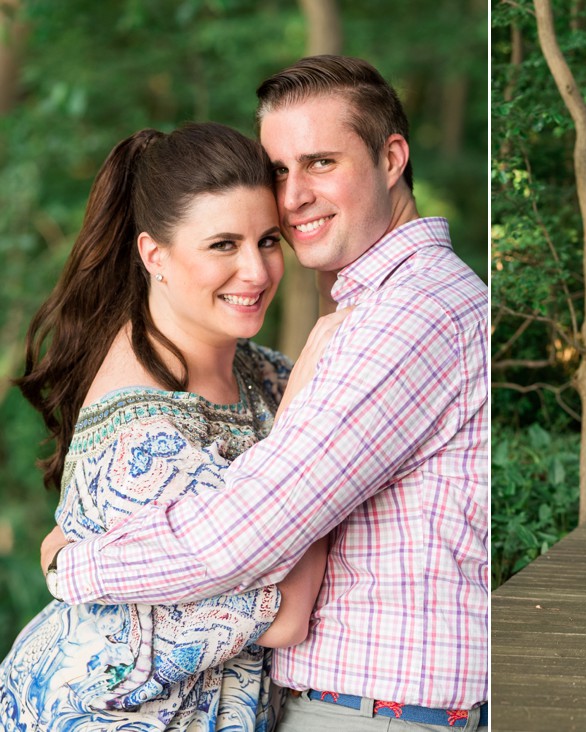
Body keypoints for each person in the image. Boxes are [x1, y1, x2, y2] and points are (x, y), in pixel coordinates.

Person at [43, 55, 489, 731]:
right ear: (154, 256)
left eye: (320, 162)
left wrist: (72, 564)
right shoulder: (363, 319)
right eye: (280, 170)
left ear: (392, 157)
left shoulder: (408, 315)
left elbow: (247, 532)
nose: (294, 193)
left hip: (378, 713)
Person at [0, 122, 338, 730]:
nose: (256, 272)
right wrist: (323, 355)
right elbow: (285, 614)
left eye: (266, 241)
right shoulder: (141, 436)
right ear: (154, 254)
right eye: (222, 245)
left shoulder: (259, 371)